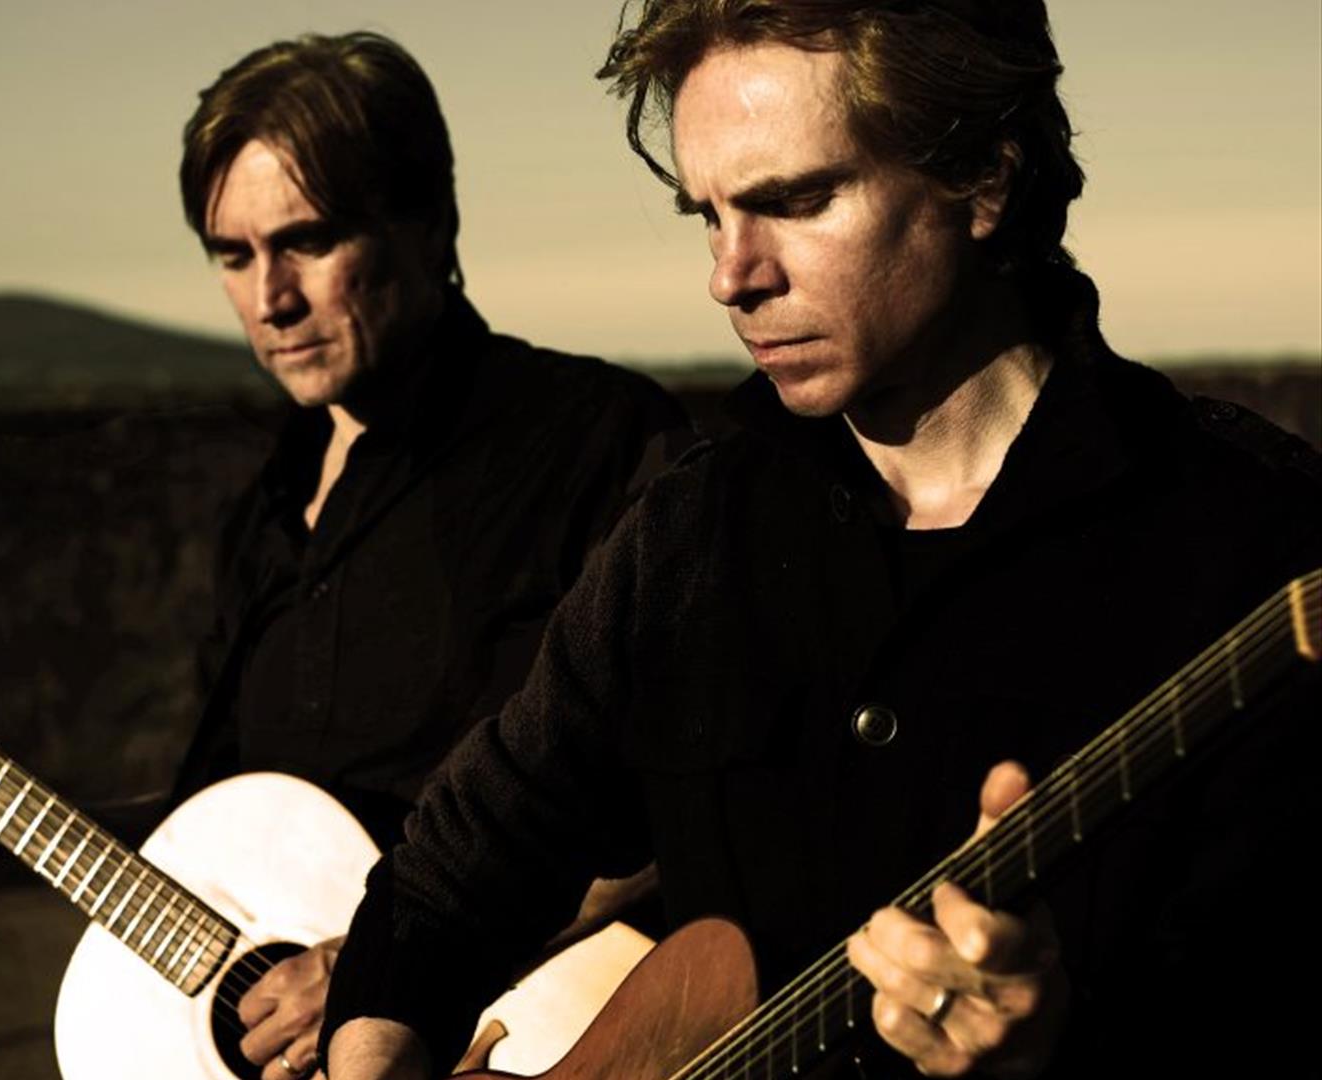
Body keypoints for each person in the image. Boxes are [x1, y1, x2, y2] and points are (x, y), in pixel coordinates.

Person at [322, 2, 1322, 1077]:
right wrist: (374, 1043)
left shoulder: (1254, 538)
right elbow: (452, 869)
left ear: (984, 176)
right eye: (706, 214)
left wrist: (1061, 1047)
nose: (731, 275)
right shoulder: (690, 533)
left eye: (794, 201)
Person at [0, 31, 685, 1080]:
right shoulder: (271, 508)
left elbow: (693, 792)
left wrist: (383, 969)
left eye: (306, 241)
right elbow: (227, 828)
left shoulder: (599, 441)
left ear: (428, 221)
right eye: (233, 255)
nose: (271, 299)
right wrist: (7, 819)